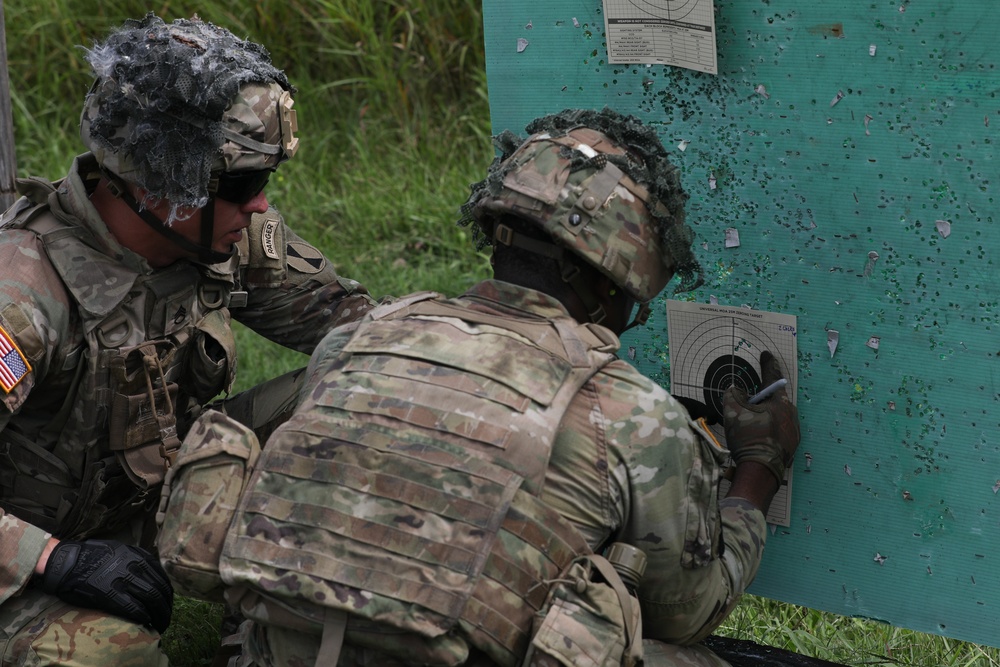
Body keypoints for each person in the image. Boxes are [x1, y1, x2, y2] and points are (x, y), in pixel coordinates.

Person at [163, 107, 800, 667]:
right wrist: (759, 466)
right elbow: (687, 612)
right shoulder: (634, 414)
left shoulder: (355, 339)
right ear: (612, 287)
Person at [0, 13, 384, 665]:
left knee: (364, 383)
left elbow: (369, 330)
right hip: (36, 554)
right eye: (241, 187)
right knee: (114, 655)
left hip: (156, 498)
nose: (260, 207)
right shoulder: (24, 290)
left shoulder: (217, 236)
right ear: (156, 187)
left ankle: (272, 623)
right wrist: (52, 560)